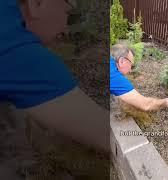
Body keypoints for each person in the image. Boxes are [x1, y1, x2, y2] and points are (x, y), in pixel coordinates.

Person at [0, 0, 109, 154]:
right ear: (36, 4)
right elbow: (104, 133)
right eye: (68, 14)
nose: (66, 29)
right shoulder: (18, 50)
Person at [110, 44, 168, 111]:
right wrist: (165, 102)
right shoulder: (114, 76)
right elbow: (146, 104)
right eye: (131, 66)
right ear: (122, 61)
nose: (130, 70)